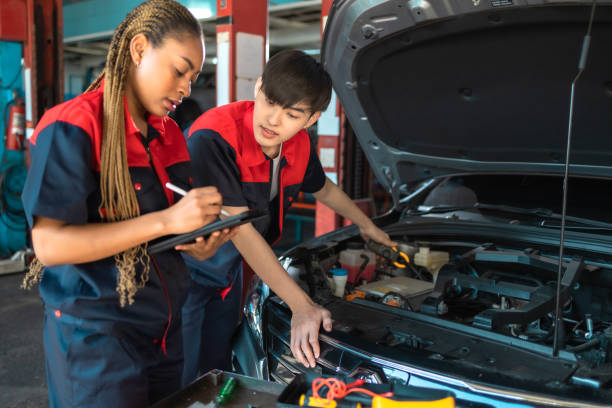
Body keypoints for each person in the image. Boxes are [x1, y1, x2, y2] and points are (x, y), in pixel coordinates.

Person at [20, 1, 236, 406]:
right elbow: (50, 246)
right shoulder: (74, 126)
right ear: (139, 49)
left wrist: (198, 239)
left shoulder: (169, 135)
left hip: (163, 331)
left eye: (194, 76)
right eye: (179, 69)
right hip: (98, 339)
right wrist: (165, 221)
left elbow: (168, 229)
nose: (187, 88)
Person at [182, 49, 396, 384]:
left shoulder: (299, 144)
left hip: (229, 271)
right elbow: (240, 230)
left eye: (292, 114)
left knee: (217, 366)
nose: (272, 120)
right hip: (183, 273)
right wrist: (300, 305)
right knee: (180, 371)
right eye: (269, 101)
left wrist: (367, 224)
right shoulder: (214, 137)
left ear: (311, 120)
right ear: (258, 87)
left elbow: (323, 188)